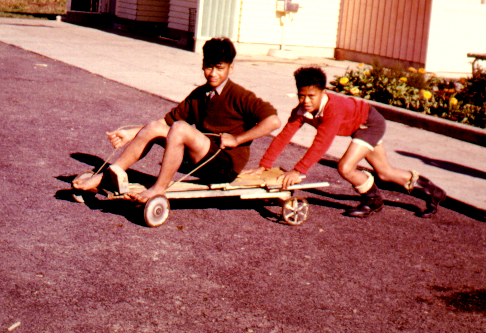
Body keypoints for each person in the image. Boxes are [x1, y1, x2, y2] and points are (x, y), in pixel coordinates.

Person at [72, 37, 280, 203]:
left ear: (230, 68)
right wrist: (130, 133)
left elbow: (273, 122)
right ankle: (104, 176)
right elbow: (164, 124)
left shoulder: (240, 96)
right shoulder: (199, 94)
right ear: (202, 65)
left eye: (219, 68)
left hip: (224, 166)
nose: (213, 73)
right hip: (201, 159)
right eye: (208, 66)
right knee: (155, 126)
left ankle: (159, 188)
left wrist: (237, 139)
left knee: (180, 128)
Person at [243, 66, 446, 218]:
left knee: (345, 167)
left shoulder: (333, 108)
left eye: (311, 96)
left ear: (324, 92)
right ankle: (433, 192)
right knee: (384, 173)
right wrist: (264, 165)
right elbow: (283, 136)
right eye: (301, 95)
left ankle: (372, 200)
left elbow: (321, 144)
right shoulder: (301, 110)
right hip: (359, 125)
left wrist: (298, 170)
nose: (306, 101)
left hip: (369, 125)